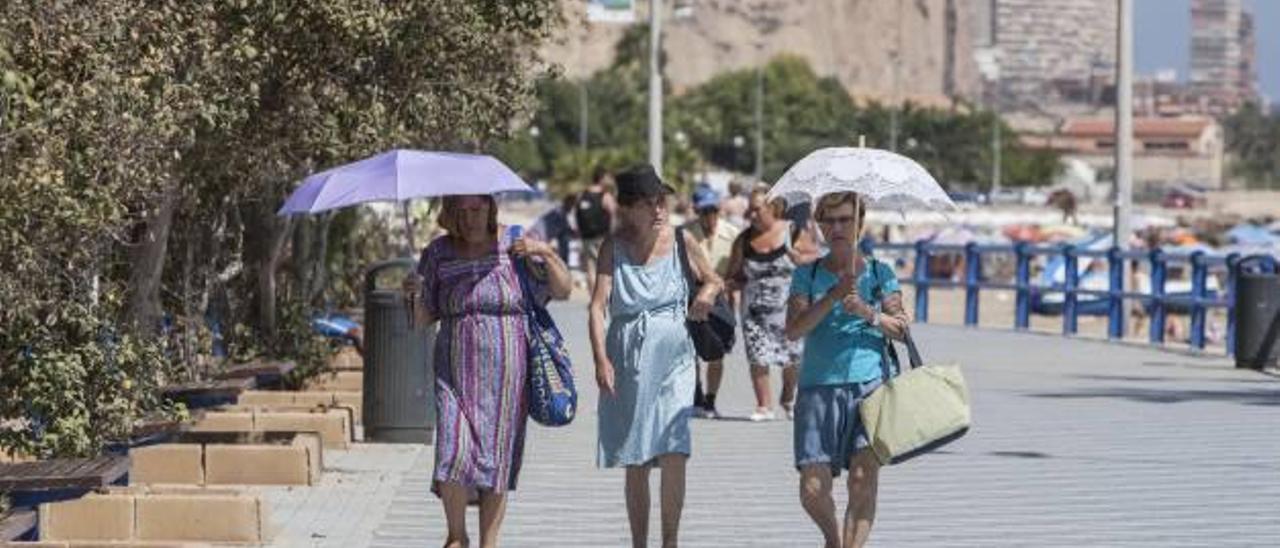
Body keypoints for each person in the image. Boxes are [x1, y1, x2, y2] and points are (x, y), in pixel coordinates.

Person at [402, 194, 573, 548]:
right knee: (452, 449)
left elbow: (563, 290)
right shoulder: (437, 253)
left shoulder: (514, 244)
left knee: (497, 455)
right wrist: (411, 295)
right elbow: (422, 318)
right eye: (461, 212)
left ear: (491, 209)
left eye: (476, 210)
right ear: (450, 214)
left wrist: (547, 253)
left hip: (507, 374)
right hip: (453, 371)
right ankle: (456, 535)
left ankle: (488, 542)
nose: (469, 219)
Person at [590, 165, 723, 548]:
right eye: (650, 203)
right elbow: (598, 307)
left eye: (661, 201)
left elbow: (714, 279)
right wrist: (601, 359)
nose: (659, 210)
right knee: (636, 457)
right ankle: (639, 542)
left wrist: (704, 295)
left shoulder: (681, 240)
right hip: (628, 356)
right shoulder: (612, 248)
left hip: (676, 356)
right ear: (629, 208)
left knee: (674, 449)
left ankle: (670, 541)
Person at [784, 192, 910, 548]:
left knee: (862, 477)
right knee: (812, 488)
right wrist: (833, 296)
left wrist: (868, 312)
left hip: (870, 384)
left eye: (845, 220)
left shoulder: (879, 273)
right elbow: (793, 329)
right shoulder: (806, 275)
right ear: (819, 225)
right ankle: (833, 540)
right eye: (829, 220)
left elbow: (902, 329)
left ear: (859, 224)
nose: (837, 227)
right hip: (817, 386)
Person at [726, 185, 820, 422]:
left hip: (789, 310)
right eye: (750, 209)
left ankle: (788, 397)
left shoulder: (792, 232)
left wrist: (801, 260)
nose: (752, 214)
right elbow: (733, 274)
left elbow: (815, 257)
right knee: (758, 357)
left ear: (773, 207)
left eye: (757, 209)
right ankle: (763, 405)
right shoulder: (744, 240)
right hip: (754, 311)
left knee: (793, 358)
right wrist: (732, 286)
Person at [681, 183, 741, 419]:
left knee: (717, 352)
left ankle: (710, 400)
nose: (710, 216)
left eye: (714, 210)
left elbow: (739, 269)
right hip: (691, 298)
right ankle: (695, 396)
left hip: (721, 300)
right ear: (696, 211)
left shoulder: (732, 233)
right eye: (705, 211)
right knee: (689, 351)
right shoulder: (684, 234)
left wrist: (731, 284)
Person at [574, 167, 618, 295]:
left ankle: (593, 297)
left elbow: (576, 215)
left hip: (586, 237)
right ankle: (603, 297)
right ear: (602, 178)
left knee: (590, 269)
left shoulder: (582, 195)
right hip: (602, 238)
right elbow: (615, 214)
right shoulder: (605, 196)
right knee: (605, 267)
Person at [531, 194, 578, 265]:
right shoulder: (559, 212)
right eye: (573, 204)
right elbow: (565, 227)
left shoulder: (560, 211)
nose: (573, 207)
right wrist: (574, 232)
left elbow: (564, 229)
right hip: (539, 234)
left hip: (541, 235)